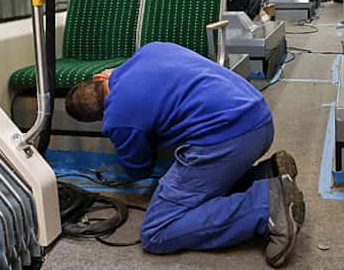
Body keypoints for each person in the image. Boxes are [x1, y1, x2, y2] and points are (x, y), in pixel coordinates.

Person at [64, 42, 305, 268]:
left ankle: (266, 205)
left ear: (99, 118)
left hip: (229, 139)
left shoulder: (117, 119)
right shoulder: (150, 50)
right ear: (100, 77)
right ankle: (264, 175)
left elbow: (139, 170)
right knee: (198, 182)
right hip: (259, 118)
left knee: (157, 231)